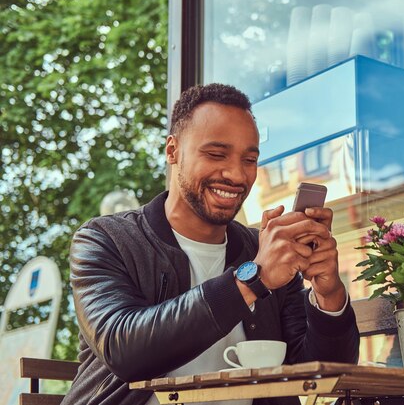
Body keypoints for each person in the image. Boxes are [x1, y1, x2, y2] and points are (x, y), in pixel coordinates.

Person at [62, 84, 360, 405]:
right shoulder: (106, 239)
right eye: (216, 154)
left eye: (249, 159)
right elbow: (124, 350)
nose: (236, 174)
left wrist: (328, 294)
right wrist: (252, 279)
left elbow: (320, 373)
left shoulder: (261, 249)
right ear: (173, 150)